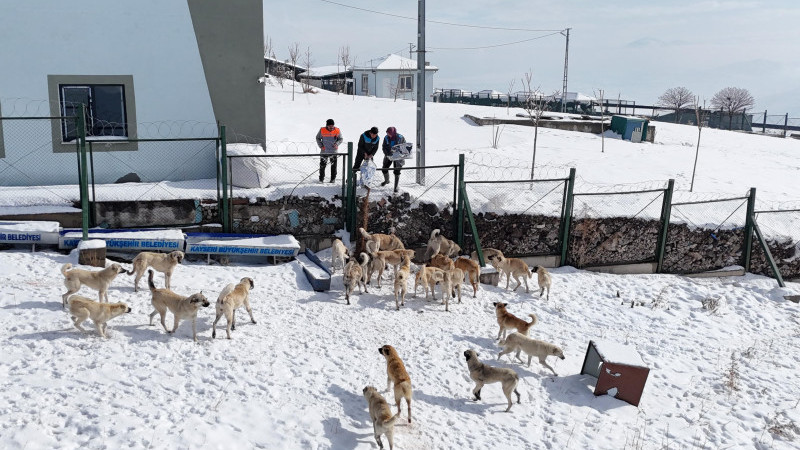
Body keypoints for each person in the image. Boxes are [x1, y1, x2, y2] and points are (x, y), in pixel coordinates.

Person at [316, 119, 343, 183]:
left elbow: (341, 139)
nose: (331, 127)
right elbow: (318, 138)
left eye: (332, 126)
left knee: (333, 166)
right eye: (330, 126)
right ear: (327, 125)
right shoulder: (322, 130)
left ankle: (333, 179)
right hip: (324, 151)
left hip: (333, 152)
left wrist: (337, 144)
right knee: (322, 165)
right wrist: (321, 146)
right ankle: (321, 179)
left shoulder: (337, 130)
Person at [380, 126, 406, 192]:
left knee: (397, 171)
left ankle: (396, 187)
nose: (388, 135)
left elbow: (404, 147)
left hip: (398, 157)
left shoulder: (400, 138)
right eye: (387, 133)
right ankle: (386, 180)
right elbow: (384, 147)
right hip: (389, 155)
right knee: (384, 169)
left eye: (389, 133)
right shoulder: (386, 138)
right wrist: (387, 154)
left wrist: (398, 152)